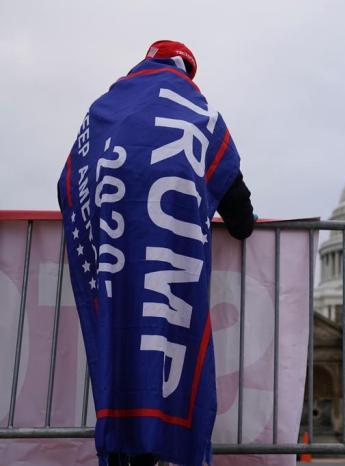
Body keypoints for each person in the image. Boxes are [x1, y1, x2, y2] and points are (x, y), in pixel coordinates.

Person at [57, 40, 255, 466]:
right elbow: (239, 209)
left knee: (119, 351)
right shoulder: (199, 112)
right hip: (171, 270)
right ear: (186, 69)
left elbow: (71, 180)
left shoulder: (103, 111)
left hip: (116, 264)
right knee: (172, 361)